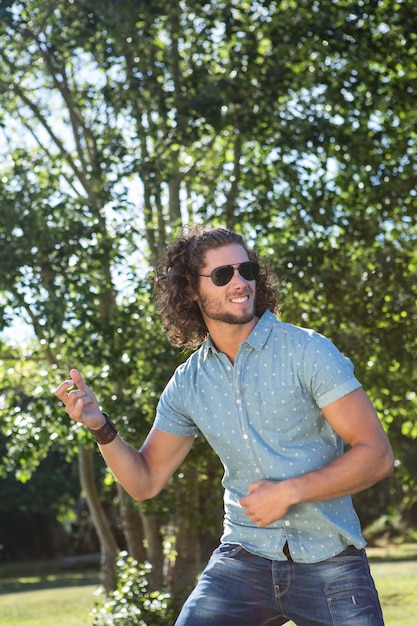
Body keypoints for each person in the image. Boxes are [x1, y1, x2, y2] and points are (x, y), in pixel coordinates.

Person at [55, 225, 394, 626]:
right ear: (191, 292)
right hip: (243, 560)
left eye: (246, 270)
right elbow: (145, 482)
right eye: (222, 275)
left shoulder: (307, 350)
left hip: (329, 559)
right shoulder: (188, 383)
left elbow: (377, 455)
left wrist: (289, 491)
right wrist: (99, 426)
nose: (240, 282)